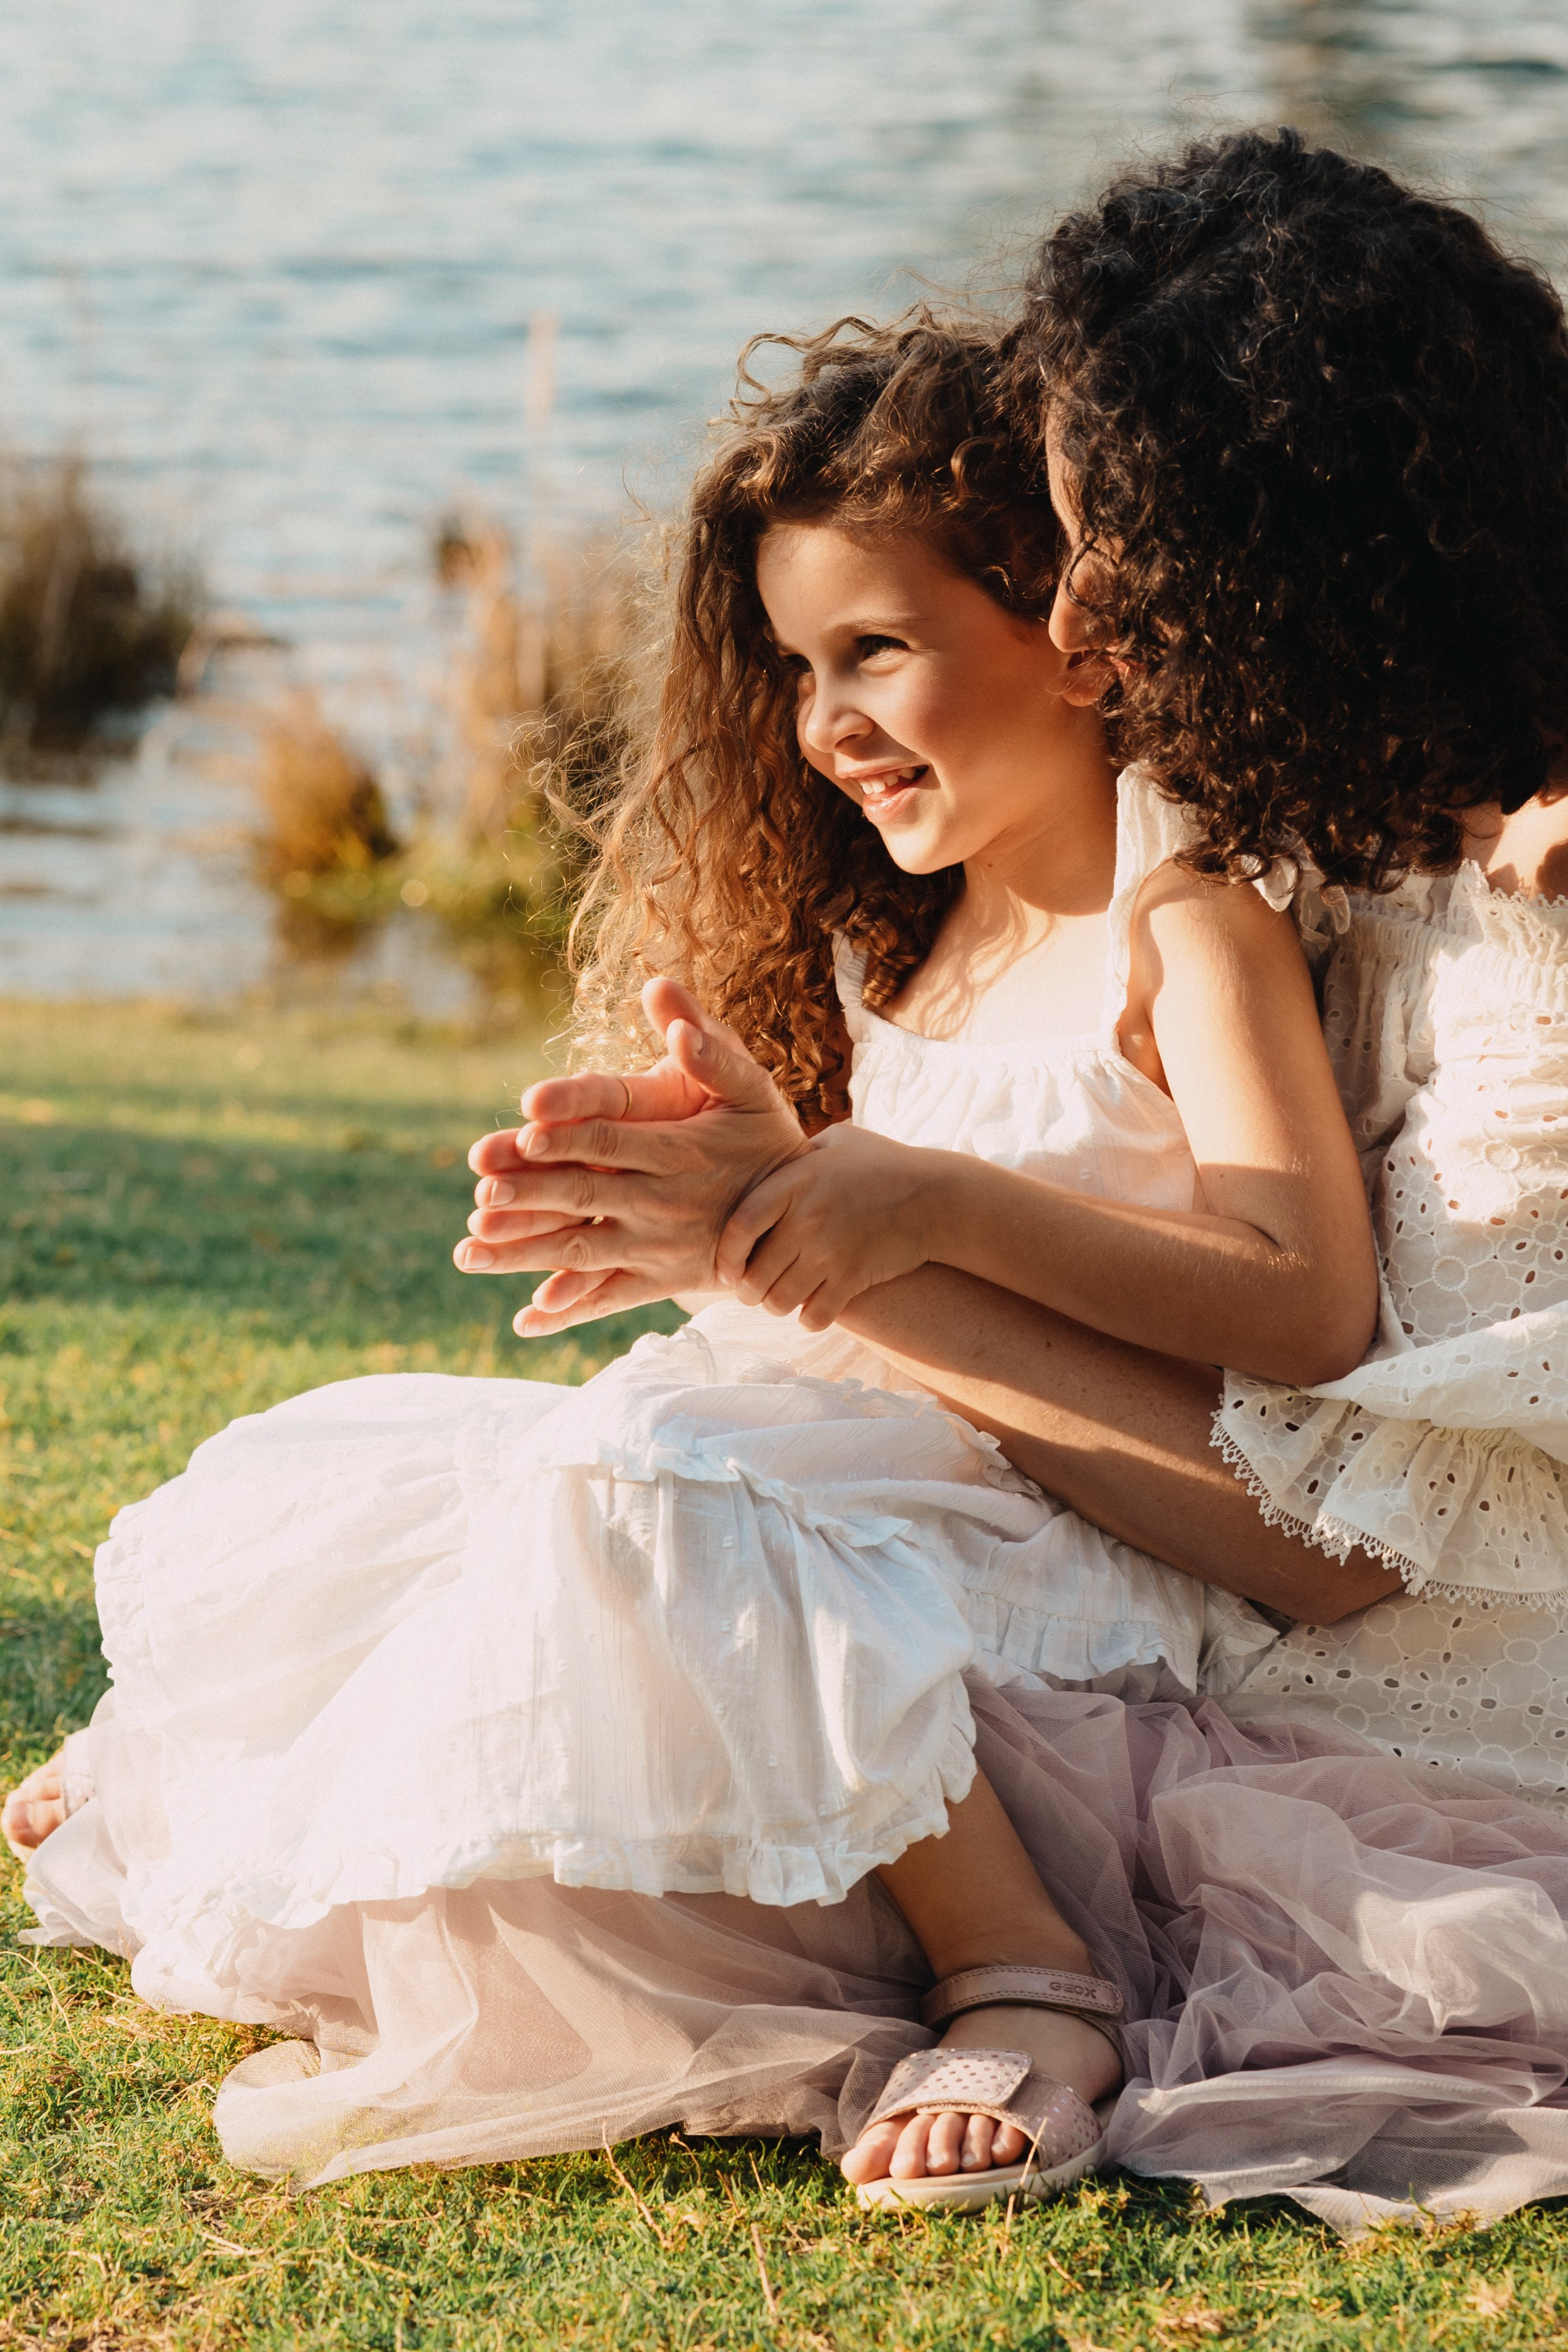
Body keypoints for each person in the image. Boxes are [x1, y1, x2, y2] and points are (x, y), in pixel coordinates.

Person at [2, 305, 1375, 2212]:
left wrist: (909, 1202)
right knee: (409, 1472)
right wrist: (725, 1225)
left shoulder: (1189, 925)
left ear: (1075, 629)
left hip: (1052, 1543)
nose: (828, 723)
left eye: (878, 648)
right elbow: (852, 1285)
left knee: (666, 1490)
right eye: (803, 667)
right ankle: (231, 1767)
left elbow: (1308, 1302)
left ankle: (1024, 1974)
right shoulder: (895, 953)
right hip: (832, 1473)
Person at [458, 132, 1568, 2229]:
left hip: (1375, 1728)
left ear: (1277, 540)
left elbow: (1349, 1548)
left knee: (692, 1518)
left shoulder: (1483, 931)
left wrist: (869, 1242)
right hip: (1179, 1578)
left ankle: (1023, 1976)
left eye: (1109, 544)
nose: (1094, 619)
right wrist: (805, 1228)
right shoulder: (1384, 812)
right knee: (596, 1553)